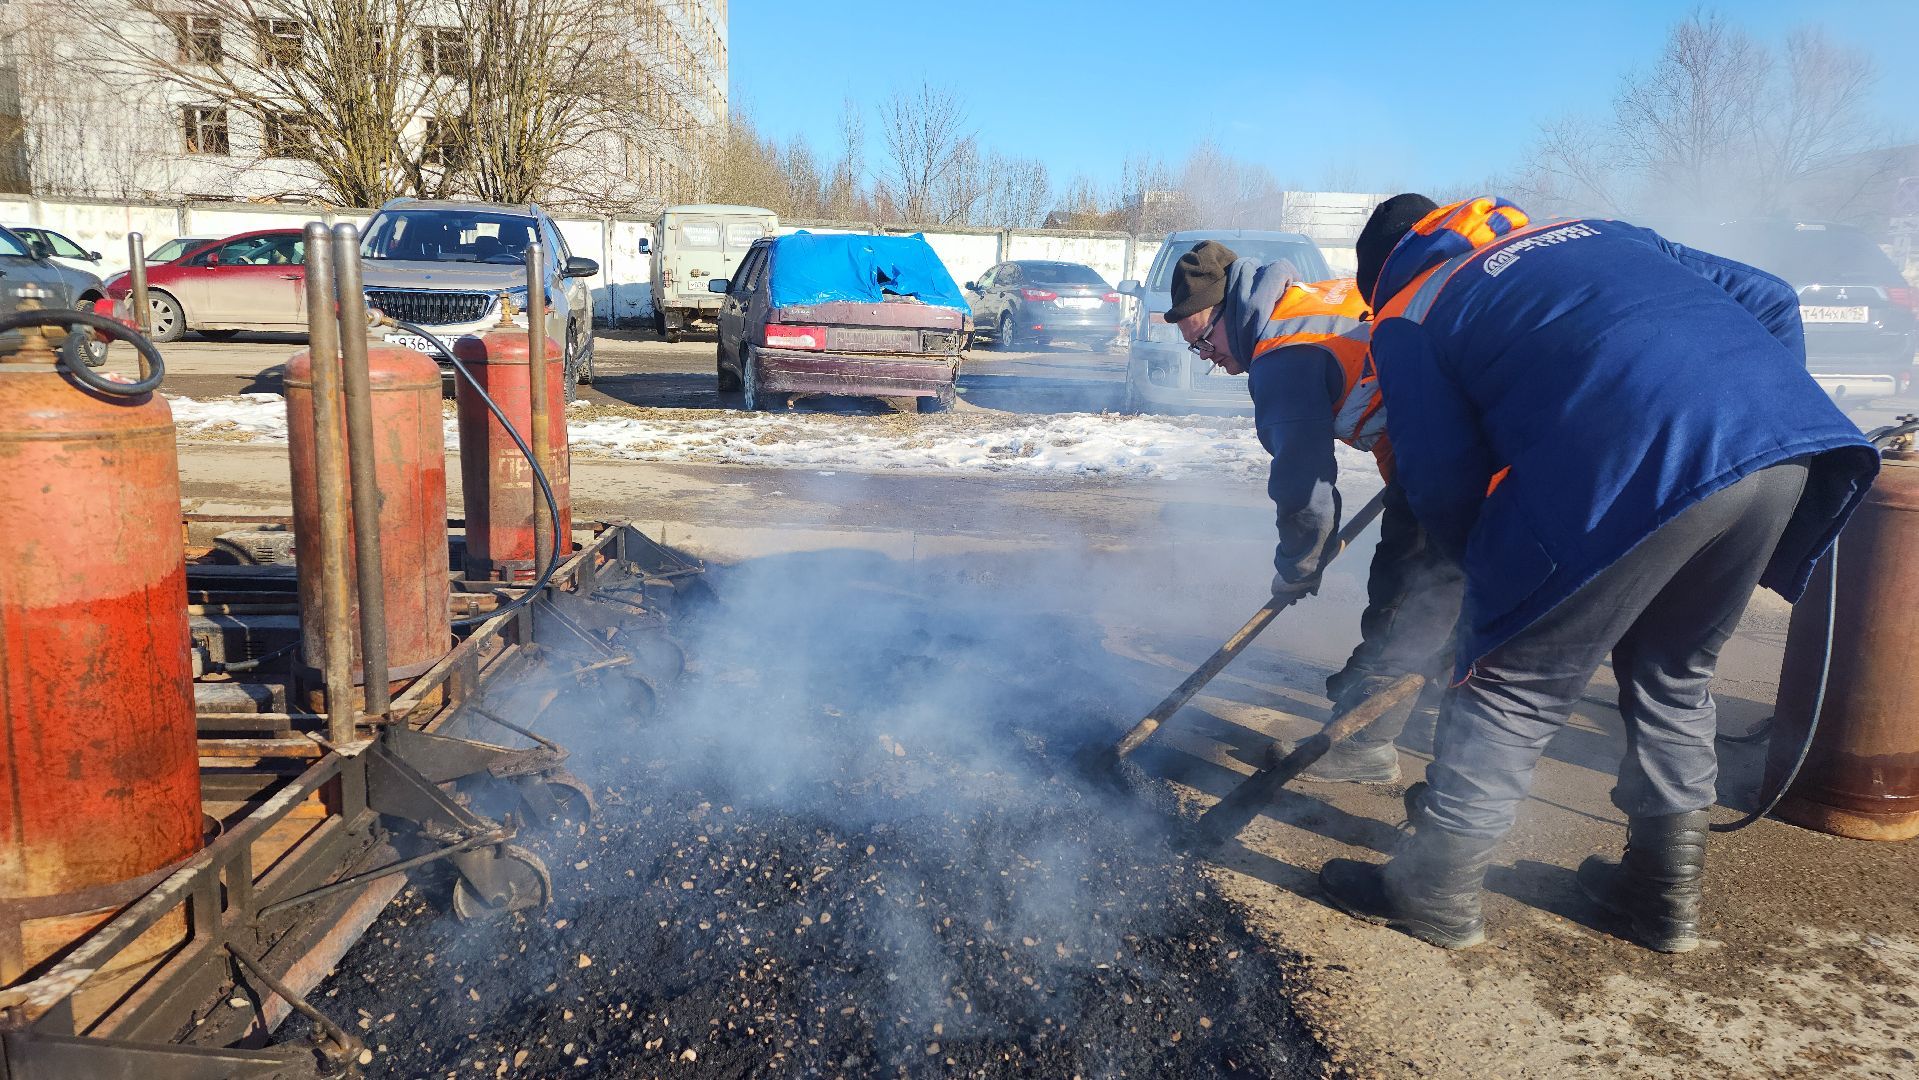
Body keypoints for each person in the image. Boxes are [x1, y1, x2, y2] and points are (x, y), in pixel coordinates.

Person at [1318, 195, 1880, 953]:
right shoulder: (1597, 233)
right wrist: (1749, 421)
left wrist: (1488, 593)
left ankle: (1433, 891)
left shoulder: (1408, 312)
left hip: (1637, 462)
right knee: (1674, 674)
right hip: (1786, 447)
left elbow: (1443, 482)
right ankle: (1659, 895)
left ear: (1379, 278)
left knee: (1512, 680)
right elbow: (1773, 296)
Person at [1163, 238, 1463, 783]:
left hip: (1463, 456)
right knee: (1432, 588)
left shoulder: (1284, 354)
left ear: (1229, 310)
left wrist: (1300, 565)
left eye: (1203, 341)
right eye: (1195, 350)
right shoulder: (1308, 301)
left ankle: (1366, 743)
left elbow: (1303, 484)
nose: (1207, 358)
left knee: (1408, 595)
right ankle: (1410, 708)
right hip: (1442, 444)